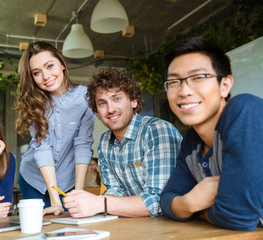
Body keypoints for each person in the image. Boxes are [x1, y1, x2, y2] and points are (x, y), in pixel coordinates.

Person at [160, 37, 263, 231]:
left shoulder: (245, 111)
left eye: (197, 78)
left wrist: (200, 213)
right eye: (174, 82)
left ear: (224, 85)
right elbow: (168, 198)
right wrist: (189, 203)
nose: (184, 91)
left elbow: (238, 216)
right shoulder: (192, 141)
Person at [63, 67, 182, 218]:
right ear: (97, 112)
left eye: (116, 99)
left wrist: (100, 203)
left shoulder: (157, 131)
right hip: (137, 225)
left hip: (174, 226)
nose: (110, 109)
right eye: (102, 103)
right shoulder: (105, 143)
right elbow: (114, 192)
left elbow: (158, 202)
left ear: (133, 101)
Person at [14, 41, 95, 216]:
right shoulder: (35, 102)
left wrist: (78, 194)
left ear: (62, 64)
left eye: (50, 66)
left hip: (68, 180)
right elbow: (42, 148)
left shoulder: (86, 97)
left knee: (69, 227)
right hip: (33, 178)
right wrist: (55, 201)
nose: (46, 76)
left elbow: (83, 145)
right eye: (37, 73)